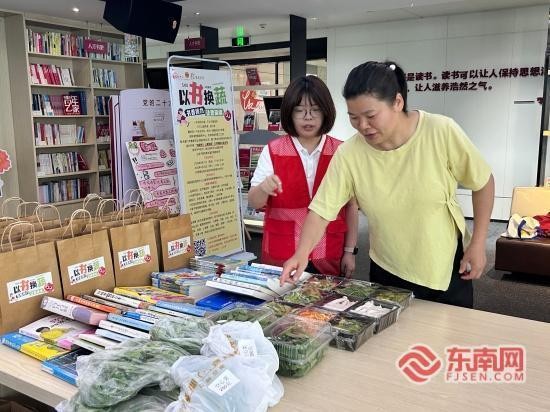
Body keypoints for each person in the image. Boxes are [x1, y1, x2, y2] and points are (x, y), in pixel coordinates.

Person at [280, 61, 495, 309]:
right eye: (354, 118)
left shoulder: (440, 131)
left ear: (397, 102)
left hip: (445, 267)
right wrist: (301, 253)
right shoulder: (350, 154)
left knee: (448, 331)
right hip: (388, 268)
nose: (362, 126)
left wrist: (478, 243)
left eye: (370, 116)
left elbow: (483, 182)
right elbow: (321, 210)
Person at [248, 75, 359, 277]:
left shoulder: (340, 151)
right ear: (289, 113)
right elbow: (254, 202)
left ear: (326, 112)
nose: (308, 117)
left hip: (328, 252)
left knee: (326, 297)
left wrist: (349, 251)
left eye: (315, 110)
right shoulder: (273, 150)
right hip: (282, 253)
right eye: (299, 110)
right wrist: (264, 188)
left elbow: (351, 206)